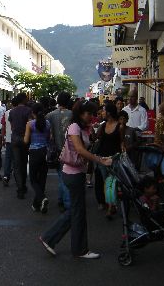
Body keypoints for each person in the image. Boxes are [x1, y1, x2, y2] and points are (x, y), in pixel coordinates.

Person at [39, 100, 112, 259]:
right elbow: (79, 149)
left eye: (93, 114)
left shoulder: (84, 128)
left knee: (76, 211)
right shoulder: (74, 127)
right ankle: (77, 249)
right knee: (77, 212)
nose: (91, 117)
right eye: (89, 114)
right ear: (80, 113)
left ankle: (51, 238)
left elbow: (87, 146)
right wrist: (100, 160)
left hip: (77, 172)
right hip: (73, 173)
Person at [94, 103, 123, 218]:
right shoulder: (103, 125)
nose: (102, 113)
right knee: (107, 182)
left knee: (112, 182)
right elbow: (97, 138)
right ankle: (111, 204)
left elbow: (121, 142)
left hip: (114, 158)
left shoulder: (119, 126)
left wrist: (122, 153)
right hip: (102, 158)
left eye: (104, 111)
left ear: (109, 113)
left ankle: (111, 206)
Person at [46, 92, 73, 212]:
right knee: (65, 176)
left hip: (55, 150)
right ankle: (67, 203)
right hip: (69, 149)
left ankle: (61, 199)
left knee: (61, 175)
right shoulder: (72, 114)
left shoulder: (50, 115)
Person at [24, 103, 51, 213]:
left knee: (33, 179)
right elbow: (49, 138)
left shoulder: (30, 124)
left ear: (33, 112)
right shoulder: (48, 123)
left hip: (34, 152)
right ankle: (38, 204)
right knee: (42, 179)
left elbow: (26, 140)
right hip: (45, 151)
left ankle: (42, 198)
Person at [9, 92, 33, 199]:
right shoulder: (28, 110)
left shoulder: (12, 111)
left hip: (14, 138)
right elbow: (30, 124)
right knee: (24, 162)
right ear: (23, 100)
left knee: (17, 164)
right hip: (25, 138)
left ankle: (20, 188)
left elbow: (11, 124)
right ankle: (23, 185)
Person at [1, 97, 18, 186]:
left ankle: (6, 176)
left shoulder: (6, 113)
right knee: (17, 158)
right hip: (19, 139)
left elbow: (3, 126)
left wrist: (3, 137)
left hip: (8, 138)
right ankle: (17, 175)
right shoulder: (22, 112)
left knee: (8, 158)